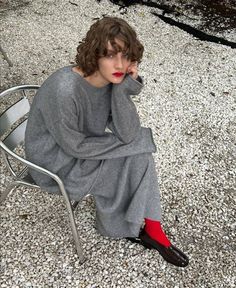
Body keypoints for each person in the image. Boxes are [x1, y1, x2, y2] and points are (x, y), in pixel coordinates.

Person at [25, 16, 189, 267]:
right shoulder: (65, 90)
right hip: (55, 163)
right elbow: (73, 146)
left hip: (80, 148)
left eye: (126, 56)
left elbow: (128, 133)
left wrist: (125, 90)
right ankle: (138, 228)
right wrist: (128, 146)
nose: (120, 65)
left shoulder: (109, 80)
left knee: (138, 151)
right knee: (135, 152)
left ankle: (150, 229)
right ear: (95, 54)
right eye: (111, 55)